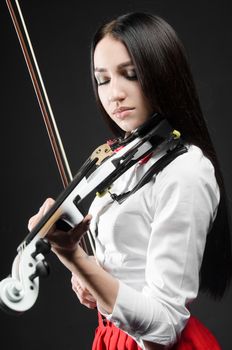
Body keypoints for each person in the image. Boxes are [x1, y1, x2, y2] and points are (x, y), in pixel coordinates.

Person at [28, 12, 232, 350]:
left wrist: (73, 257)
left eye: (130, 75)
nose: (114, 94)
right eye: (103, 79)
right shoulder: (124, 158)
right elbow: (124, 266)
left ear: (162, 74)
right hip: (109, 340)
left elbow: (163, 329)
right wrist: (91, 277)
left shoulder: (185, 170)